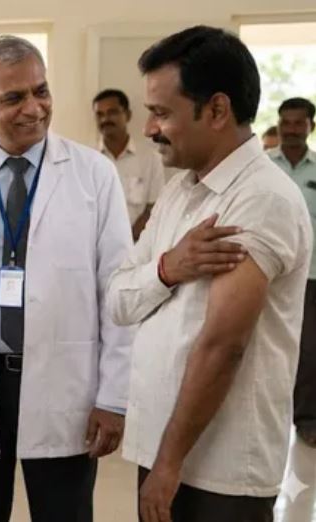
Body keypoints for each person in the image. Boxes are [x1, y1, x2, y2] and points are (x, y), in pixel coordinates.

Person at [0, 35, 133, 522]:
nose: (34, 108)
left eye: (41, 91)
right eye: (14, 97)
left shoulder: (94, 175)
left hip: (65, 384)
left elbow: (117, 293)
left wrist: (114, 397)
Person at [107, 26, 312, 522]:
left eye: (161, 113)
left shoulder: (261, 199)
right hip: (165, 451)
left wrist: (169, 463)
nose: (149, 129)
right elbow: (118, 299)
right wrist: (168, 268)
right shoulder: (181, 191)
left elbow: (223, 346)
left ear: (217, 110)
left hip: (220, 469)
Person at [267, 96, 316, 448]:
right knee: (262, 347)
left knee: (309, 350)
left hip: (311, 275)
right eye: (286, 122)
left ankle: (307, 419)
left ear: (311, 127)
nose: (292, 129)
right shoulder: (263, 167)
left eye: (300, 122)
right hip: (265, 273)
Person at [93, 88, 167, 241]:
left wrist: (128, 240)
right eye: (99, 114)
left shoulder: (151, 159)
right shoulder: (88, 160)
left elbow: (154, 207)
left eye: (112, 112)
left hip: (137, 245)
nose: (105, 119)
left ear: (128, 115)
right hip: (94, 245)